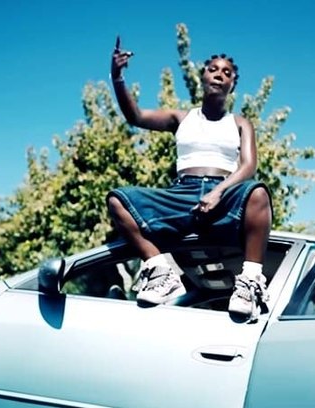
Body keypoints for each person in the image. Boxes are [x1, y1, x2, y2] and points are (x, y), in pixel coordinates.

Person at [106, 38, 273, 320]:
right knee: (118, 200)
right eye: (213, 69)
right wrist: (117, 77)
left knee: (257, 193)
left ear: (233, 85)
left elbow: (248, 166)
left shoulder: (240, 123)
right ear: (202, 76)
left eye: (227, 73)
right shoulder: (181, 118)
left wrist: (218, 192)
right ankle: (160, 271)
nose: (219, 74)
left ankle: (249, 284)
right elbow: (136, 117)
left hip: (225, 194)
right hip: (182, 195)